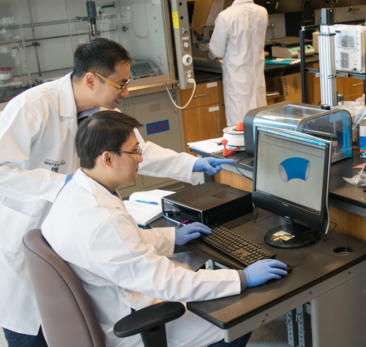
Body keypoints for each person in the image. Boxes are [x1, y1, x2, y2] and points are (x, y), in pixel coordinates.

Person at [0, 38, 234, 346]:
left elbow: (138, 152)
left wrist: (193, 165)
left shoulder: (102, 114)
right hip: (31, 231)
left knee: (81, 318)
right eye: (120, 85)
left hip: (75, 238)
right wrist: (60, 185)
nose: (125, 93)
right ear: (91, 80)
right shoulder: (33, 108)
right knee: (39, 327)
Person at [41, 111, 288, 347]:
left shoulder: (79, 190)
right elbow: (166, 281)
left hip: (112, 293)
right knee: (239, 318)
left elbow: (126, 241)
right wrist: (242, 278)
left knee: (194, 259)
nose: (140, 159)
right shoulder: (101, 220)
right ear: (107, 158)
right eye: (135, 151)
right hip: (132, 320)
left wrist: (171, 237)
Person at [208, 0, 268, 126]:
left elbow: (216, 51)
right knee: (259, 125)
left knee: (239, 128)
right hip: (257, 79)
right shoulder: (262, 12)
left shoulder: (226, 16)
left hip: (237, 82)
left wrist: (208, 49)